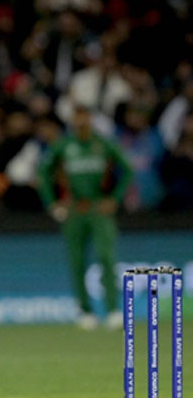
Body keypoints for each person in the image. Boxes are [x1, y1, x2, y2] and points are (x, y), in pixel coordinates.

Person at [37, 104, 132, 330]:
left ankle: (113, 310)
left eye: (84, 117)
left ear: (90, 119)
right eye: (76, 118)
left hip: (99, 209)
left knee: (106, 258)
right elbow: (43, 173)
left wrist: (115, 198)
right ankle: (84, 310)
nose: (80, 122)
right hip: (74, 211)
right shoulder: (64, 146)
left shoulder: (103, 144)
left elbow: (128, 169)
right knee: (77, 261)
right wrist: (52, 204)